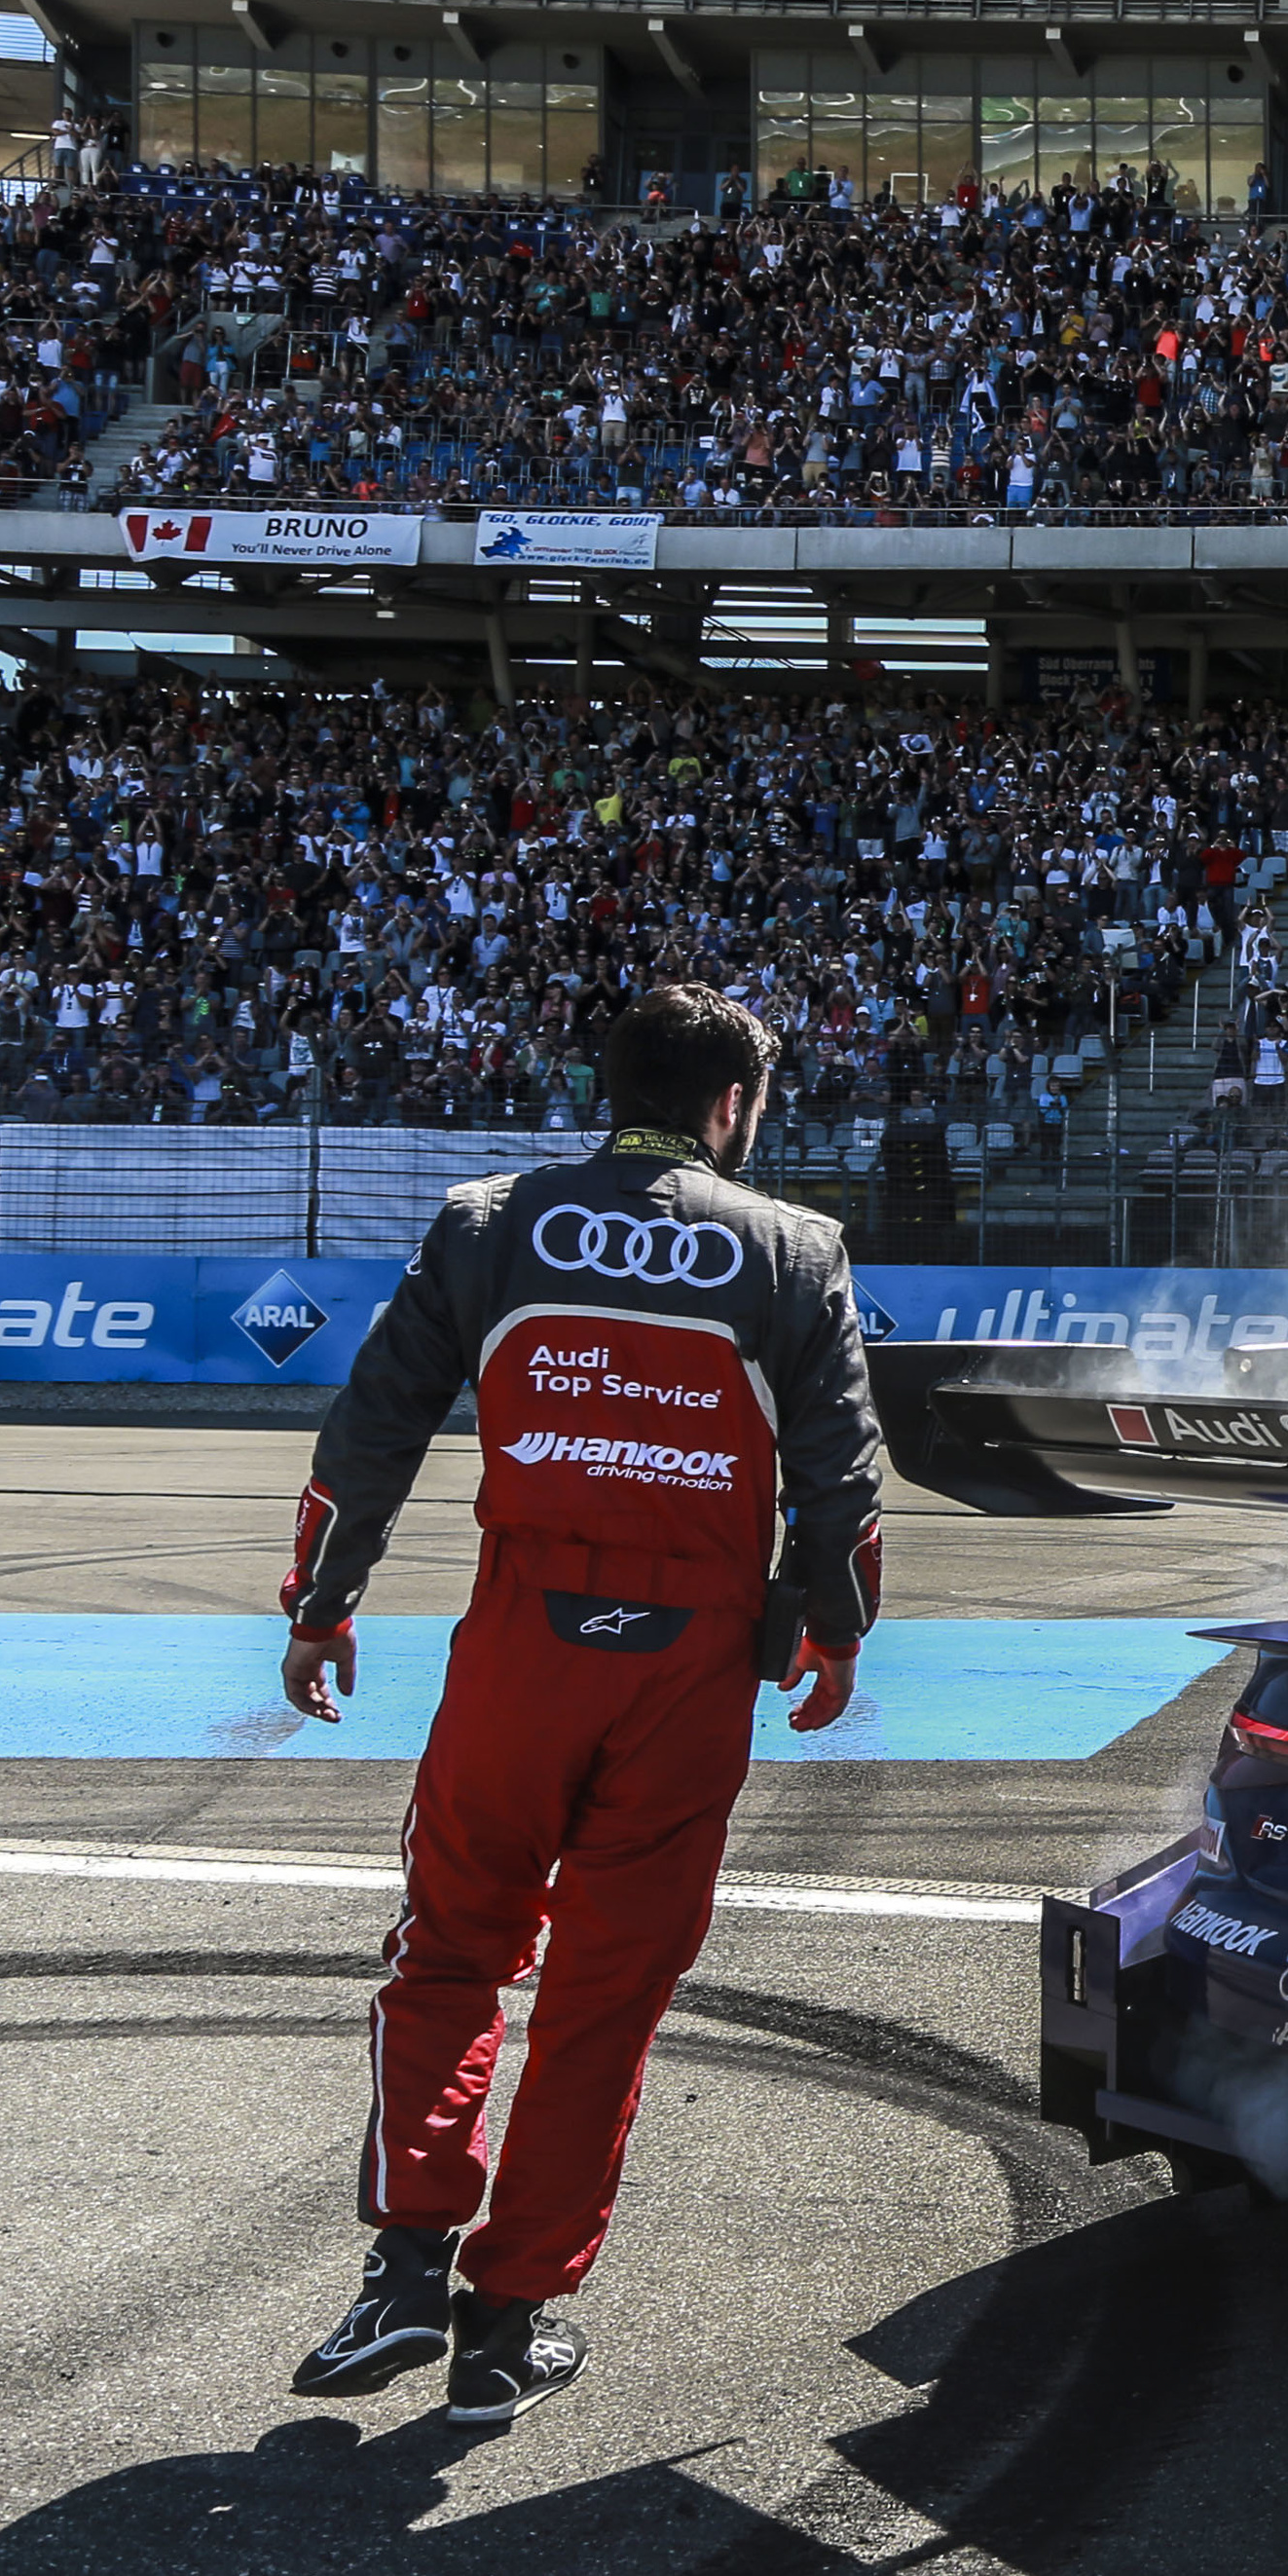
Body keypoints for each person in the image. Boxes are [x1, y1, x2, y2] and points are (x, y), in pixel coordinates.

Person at [276, 983, 889, 2427]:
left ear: (607, 1083)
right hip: (687, 1669)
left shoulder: (490, 1222)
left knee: (451, 1952)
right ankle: (509, 2325)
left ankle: (404, 2269)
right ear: (730, 1106)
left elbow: (373, 1424)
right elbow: (844, 1482)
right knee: (606, 1998)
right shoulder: (797, 1251)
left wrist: (322, 1600)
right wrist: (835, 1634)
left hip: (519, 1646)